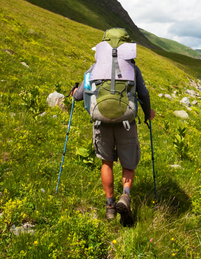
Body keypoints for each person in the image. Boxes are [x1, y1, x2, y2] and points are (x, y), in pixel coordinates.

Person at [71, 29, 155, 226]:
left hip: (101, 121)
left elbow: (79, 95)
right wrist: (147, 112)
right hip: (126, 122)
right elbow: (143, 94)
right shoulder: (133, 69)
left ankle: (109, 207)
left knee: (106, 162)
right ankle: (125, 196)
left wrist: (74, 91)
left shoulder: (94, 67)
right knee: (129, 163)